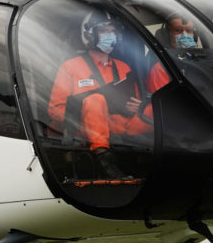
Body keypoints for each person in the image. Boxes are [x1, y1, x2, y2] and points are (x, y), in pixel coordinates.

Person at [48, 10, 152, 181]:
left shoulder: (124, 67)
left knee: (155, 108)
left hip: (119, 124)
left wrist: (139, 105)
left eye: (112, 30)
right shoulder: (71, 67)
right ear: (89, 35)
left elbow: (136, 100)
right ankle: (105, 161)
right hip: (84, 129)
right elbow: (55, 110)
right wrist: (82, 112)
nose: (110, 35)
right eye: (104, 31)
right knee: (95, 100)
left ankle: (173, 156)